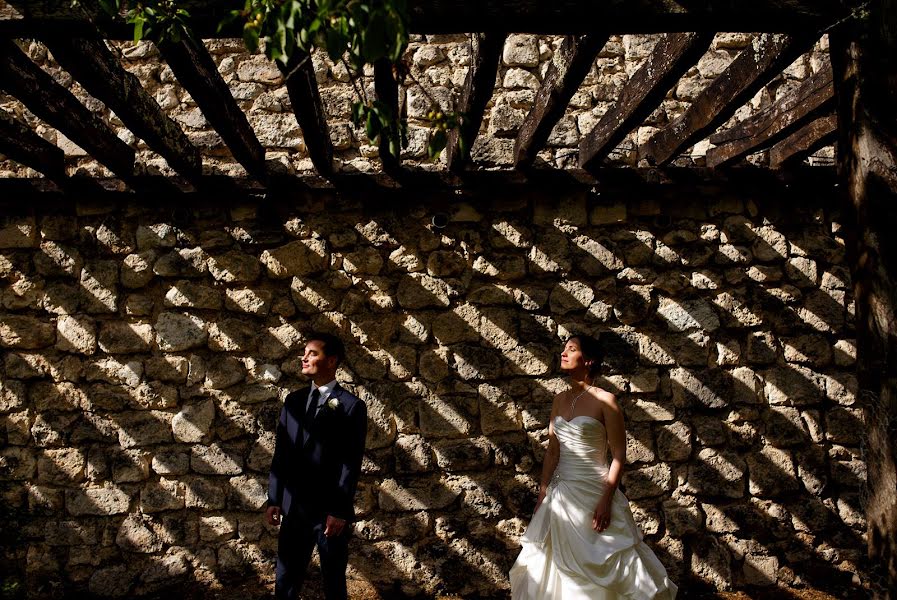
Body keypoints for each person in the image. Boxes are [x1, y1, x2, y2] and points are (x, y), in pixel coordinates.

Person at [510, 334, 677, 599]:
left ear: (588, 361)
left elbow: (619, 456)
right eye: (564, 348)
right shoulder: (559, 400)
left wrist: (606, 500)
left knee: (608, 560)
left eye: (572, 349)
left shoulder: (606, 401)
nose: (563, 353)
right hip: (561, 494)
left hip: (594, 491)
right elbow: (553, 452)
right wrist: (543, 493)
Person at [266, 332, 368, 600]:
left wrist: (339, 510)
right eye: (304, 352)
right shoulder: (293, 401)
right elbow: (282, 452)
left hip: (328, 513)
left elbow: (350, 463)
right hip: (294, 508)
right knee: (286, 579)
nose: (304, 357)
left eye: (313, 353)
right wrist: (274, 498)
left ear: (332, 361)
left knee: (333, 581)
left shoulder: (351, 407)